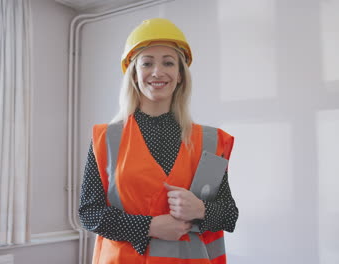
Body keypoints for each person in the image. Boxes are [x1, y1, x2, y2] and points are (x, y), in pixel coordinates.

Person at [79, 18, 238, 264]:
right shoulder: (106, 139)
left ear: (180, 75)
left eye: (168, 62)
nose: (157, 71)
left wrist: (201, 210)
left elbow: (229, 214)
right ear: (134, 74)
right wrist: (149, 226)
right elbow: (89, 213)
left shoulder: (210, 141)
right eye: (147, 63)